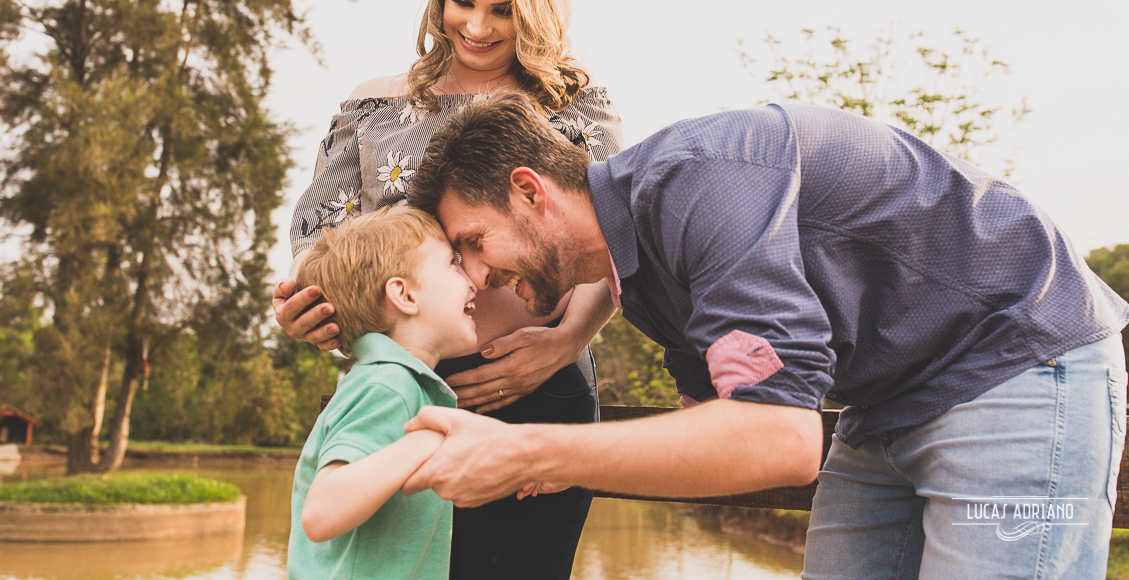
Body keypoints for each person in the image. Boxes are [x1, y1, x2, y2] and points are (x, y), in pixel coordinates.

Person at [401, 91, 1129, 580]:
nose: (473, 276)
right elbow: (719, 446)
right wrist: (565, 463)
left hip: (1015, 357)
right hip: (891, 398)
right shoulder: (642, 276)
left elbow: (779, 439)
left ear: (530, 190)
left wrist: (530, 448)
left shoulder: (701, 184)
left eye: (472, 242)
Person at [272, 0, 624, 579]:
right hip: (410, 391)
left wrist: (564, 344)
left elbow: (612, 241)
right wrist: (306, 303)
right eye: (463, 2)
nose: (477, 26)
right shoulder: (371, 109)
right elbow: (320, 239)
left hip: (545, 389)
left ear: (537, 9)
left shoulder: (577, 106)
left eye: (503, 10)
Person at [288, 206, 478, 580]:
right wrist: (431, 438)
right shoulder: (390, 385)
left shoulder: (394, 382)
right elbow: (321, 511)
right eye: (453, 264)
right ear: (404, 295)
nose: (470, 279)